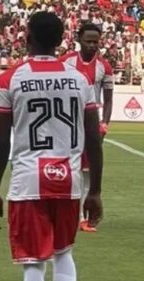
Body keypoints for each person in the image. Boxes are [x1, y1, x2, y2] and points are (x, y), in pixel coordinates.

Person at [0, 11, 103, 281]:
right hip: (67, 180)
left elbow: (1, 141)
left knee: (33, 264)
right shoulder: (79, 79)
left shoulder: (10, 78)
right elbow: (93, 138)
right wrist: (95, 191)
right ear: (62, 40)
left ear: (26, 38)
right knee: (63, 253)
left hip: (28, 181)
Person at [61, 22, 114, 233]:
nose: (92, 45)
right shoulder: (66, 62)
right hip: (68, 122)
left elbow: (108, 99)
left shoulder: (104, 67)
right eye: (88, 41)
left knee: (89, 170)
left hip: (92, 123)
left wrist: (104, 123)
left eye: (95, 42)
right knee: (69, 168)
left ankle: (83, 216)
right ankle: (69, 213)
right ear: (79, 40)